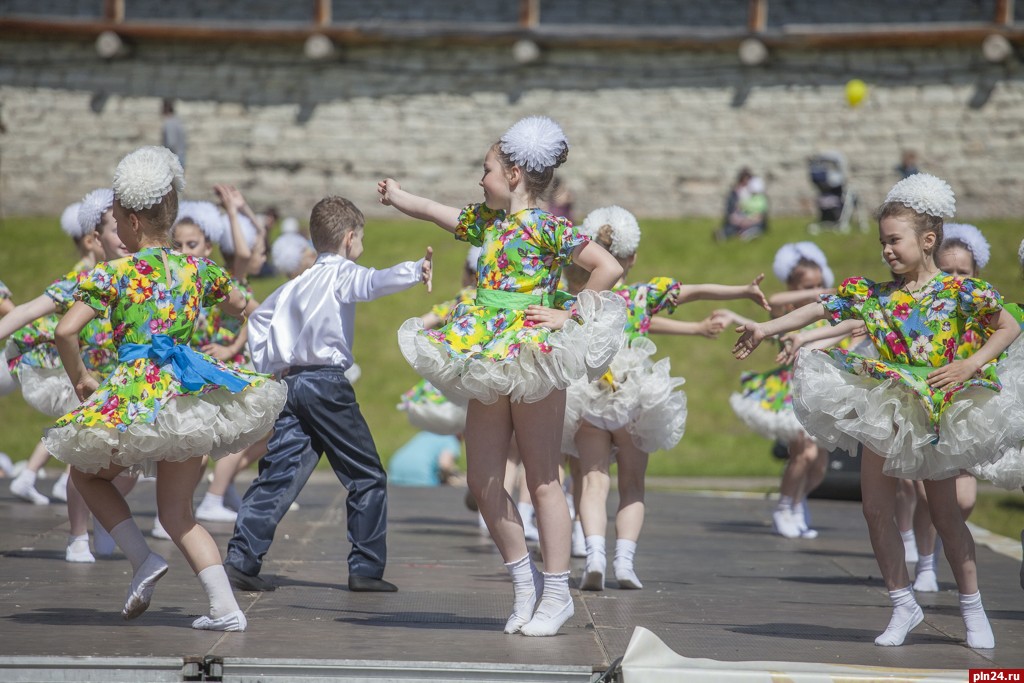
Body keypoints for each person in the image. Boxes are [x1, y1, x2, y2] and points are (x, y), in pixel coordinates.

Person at [733, 173, 1024, 649]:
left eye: (895, 240)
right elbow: (819, 308)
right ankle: (902, 604)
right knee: (874, 509)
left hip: (936, 406)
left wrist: (971, 363)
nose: (887, 250)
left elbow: (1008, 325)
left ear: (927, 240)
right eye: (882, 242)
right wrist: (766, 330)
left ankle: (972, 605)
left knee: (946, 514)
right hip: (886, 408)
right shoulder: (874, 294)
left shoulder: (958, 290)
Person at [379, 115, 626, 637]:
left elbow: (608, 267)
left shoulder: (547, 226)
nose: (480, 178)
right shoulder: (487, 223)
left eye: (486, 169)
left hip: (533, 352)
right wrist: (398, 197)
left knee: (542, 478)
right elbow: (435, 212)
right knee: (482, 477)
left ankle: (557, 593)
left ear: (513, 175)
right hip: (487, 351)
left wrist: (570, 312)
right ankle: (524, 582)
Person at [43, 146, 287, 631]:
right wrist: (246, 337)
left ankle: (142, 559)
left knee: (86, 475)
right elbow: (246, 305)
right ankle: (226, 608)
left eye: (116, 219)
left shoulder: (115, 273)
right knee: (178, 514)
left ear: (133, 223)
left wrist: (82, 378)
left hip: (140, 393)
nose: (115, 227)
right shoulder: (196, 268)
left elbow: (65, 331)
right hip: (187, 393)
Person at [225, 195, 432, 594]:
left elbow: (261, 318)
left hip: (290, 385)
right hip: (325, 384)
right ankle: (366, 567)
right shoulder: (341, 273)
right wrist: (414, 270)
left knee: (280, 473)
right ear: (349, 238)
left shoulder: (296, 284)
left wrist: (270, 366)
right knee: (366, 474)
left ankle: (241, 558)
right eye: (361, 240)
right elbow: (372, 282)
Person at [560, 205, 767, 591]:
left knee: (592, 481)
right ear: (633, 257)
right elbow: (695, 290)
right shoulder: (642, 295)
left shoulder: (578, 298)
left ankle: (595, 556)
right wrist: (742, 290)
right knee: (632, 486)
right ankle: (624, 562)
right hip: (633, 397)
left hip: (589, 396)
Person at [725, 242, 842, 539]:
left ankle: (797, 501)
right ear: (794, 287)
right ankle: (784, 507)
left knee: (819, 465)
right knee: (804, 452)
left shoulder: (826, 313)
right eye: (807, 286)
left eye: (819, 284)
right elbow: (776, 299)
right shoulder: (786, 311)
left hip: (821, 389)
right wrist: (817, 294)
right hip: (791, 390)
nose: (815, 291)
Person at [388, 431, 463, 486]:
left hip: (396, 469)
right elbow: (445, 465)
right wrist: (447, 480)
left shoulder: (425, 434)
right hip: (420, 473)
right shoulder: (450, 440)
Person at [716, 167, 752, 241]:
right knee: (733, 223)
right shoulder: (736, 191)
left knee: (738, 224)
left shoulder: (752, 191)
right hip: (737, 214)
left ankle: (724, 234)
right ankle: (723, 234)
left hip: (747, 214)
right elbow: (731, 206)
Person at [160, 99, 187, 169]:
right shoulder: (177, 121)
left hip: (174, 158)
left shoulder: (169, 123)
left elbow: (171, 143)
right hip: (181, 156)